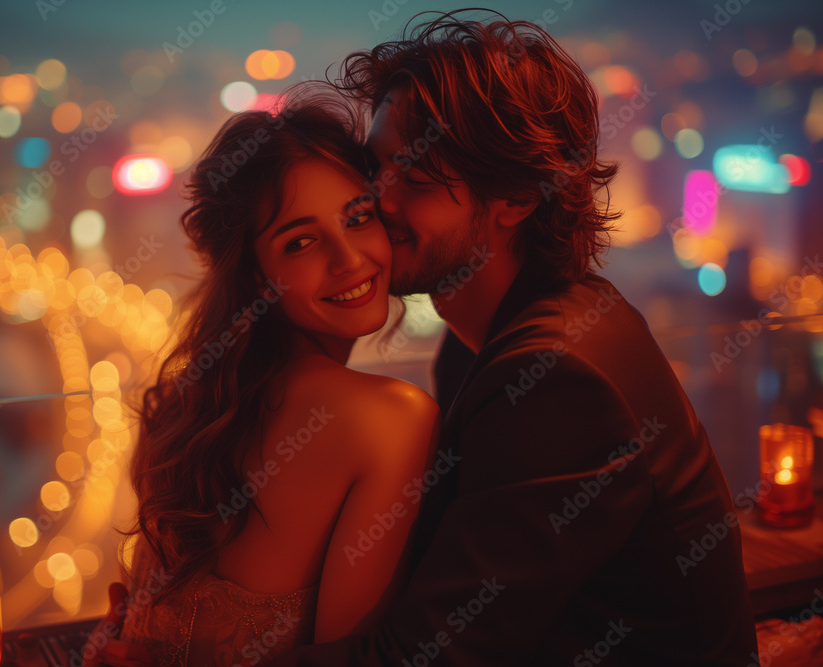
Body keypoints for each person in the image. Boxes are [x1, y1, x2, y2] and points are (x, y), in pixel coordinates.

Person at [264, 9, 759, 665]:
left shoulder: (555, 378)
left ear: (516, 198)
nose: (376, 202)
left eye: (412, 175)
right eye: (373, 168)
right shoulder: (495, 337)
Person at [86, 86, 441, 666]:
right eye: (300, 242)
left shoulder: (187, 400)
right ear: (256, 277)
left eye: (358, 217)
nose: (348, 258)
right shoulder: (390, 418)